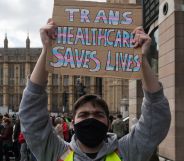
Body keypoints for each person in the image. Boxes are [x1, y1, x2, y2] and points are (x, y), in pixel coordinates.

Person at [19, 19, 171, 161]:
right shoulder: (56, 152)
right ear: (72, 123)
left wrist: (142, 59)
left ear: (108, 123)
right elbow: (31, 115)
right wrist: (47, 51)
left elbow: (156, 118)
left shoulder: (127, 152)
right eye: (84, 114)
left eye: (98, 114)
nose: (91, 119)